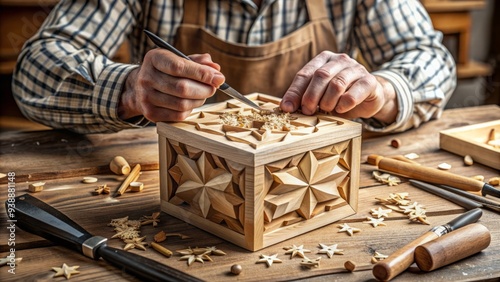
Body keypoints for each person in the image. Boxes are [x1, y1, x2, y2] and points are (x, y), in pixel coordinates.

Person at [12, 0, 456, 134]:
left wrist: (380, 90)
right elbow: (35, 66)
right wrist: (128, 89)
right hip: (176, 178)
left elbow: (429, 56)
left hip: (306, 176)